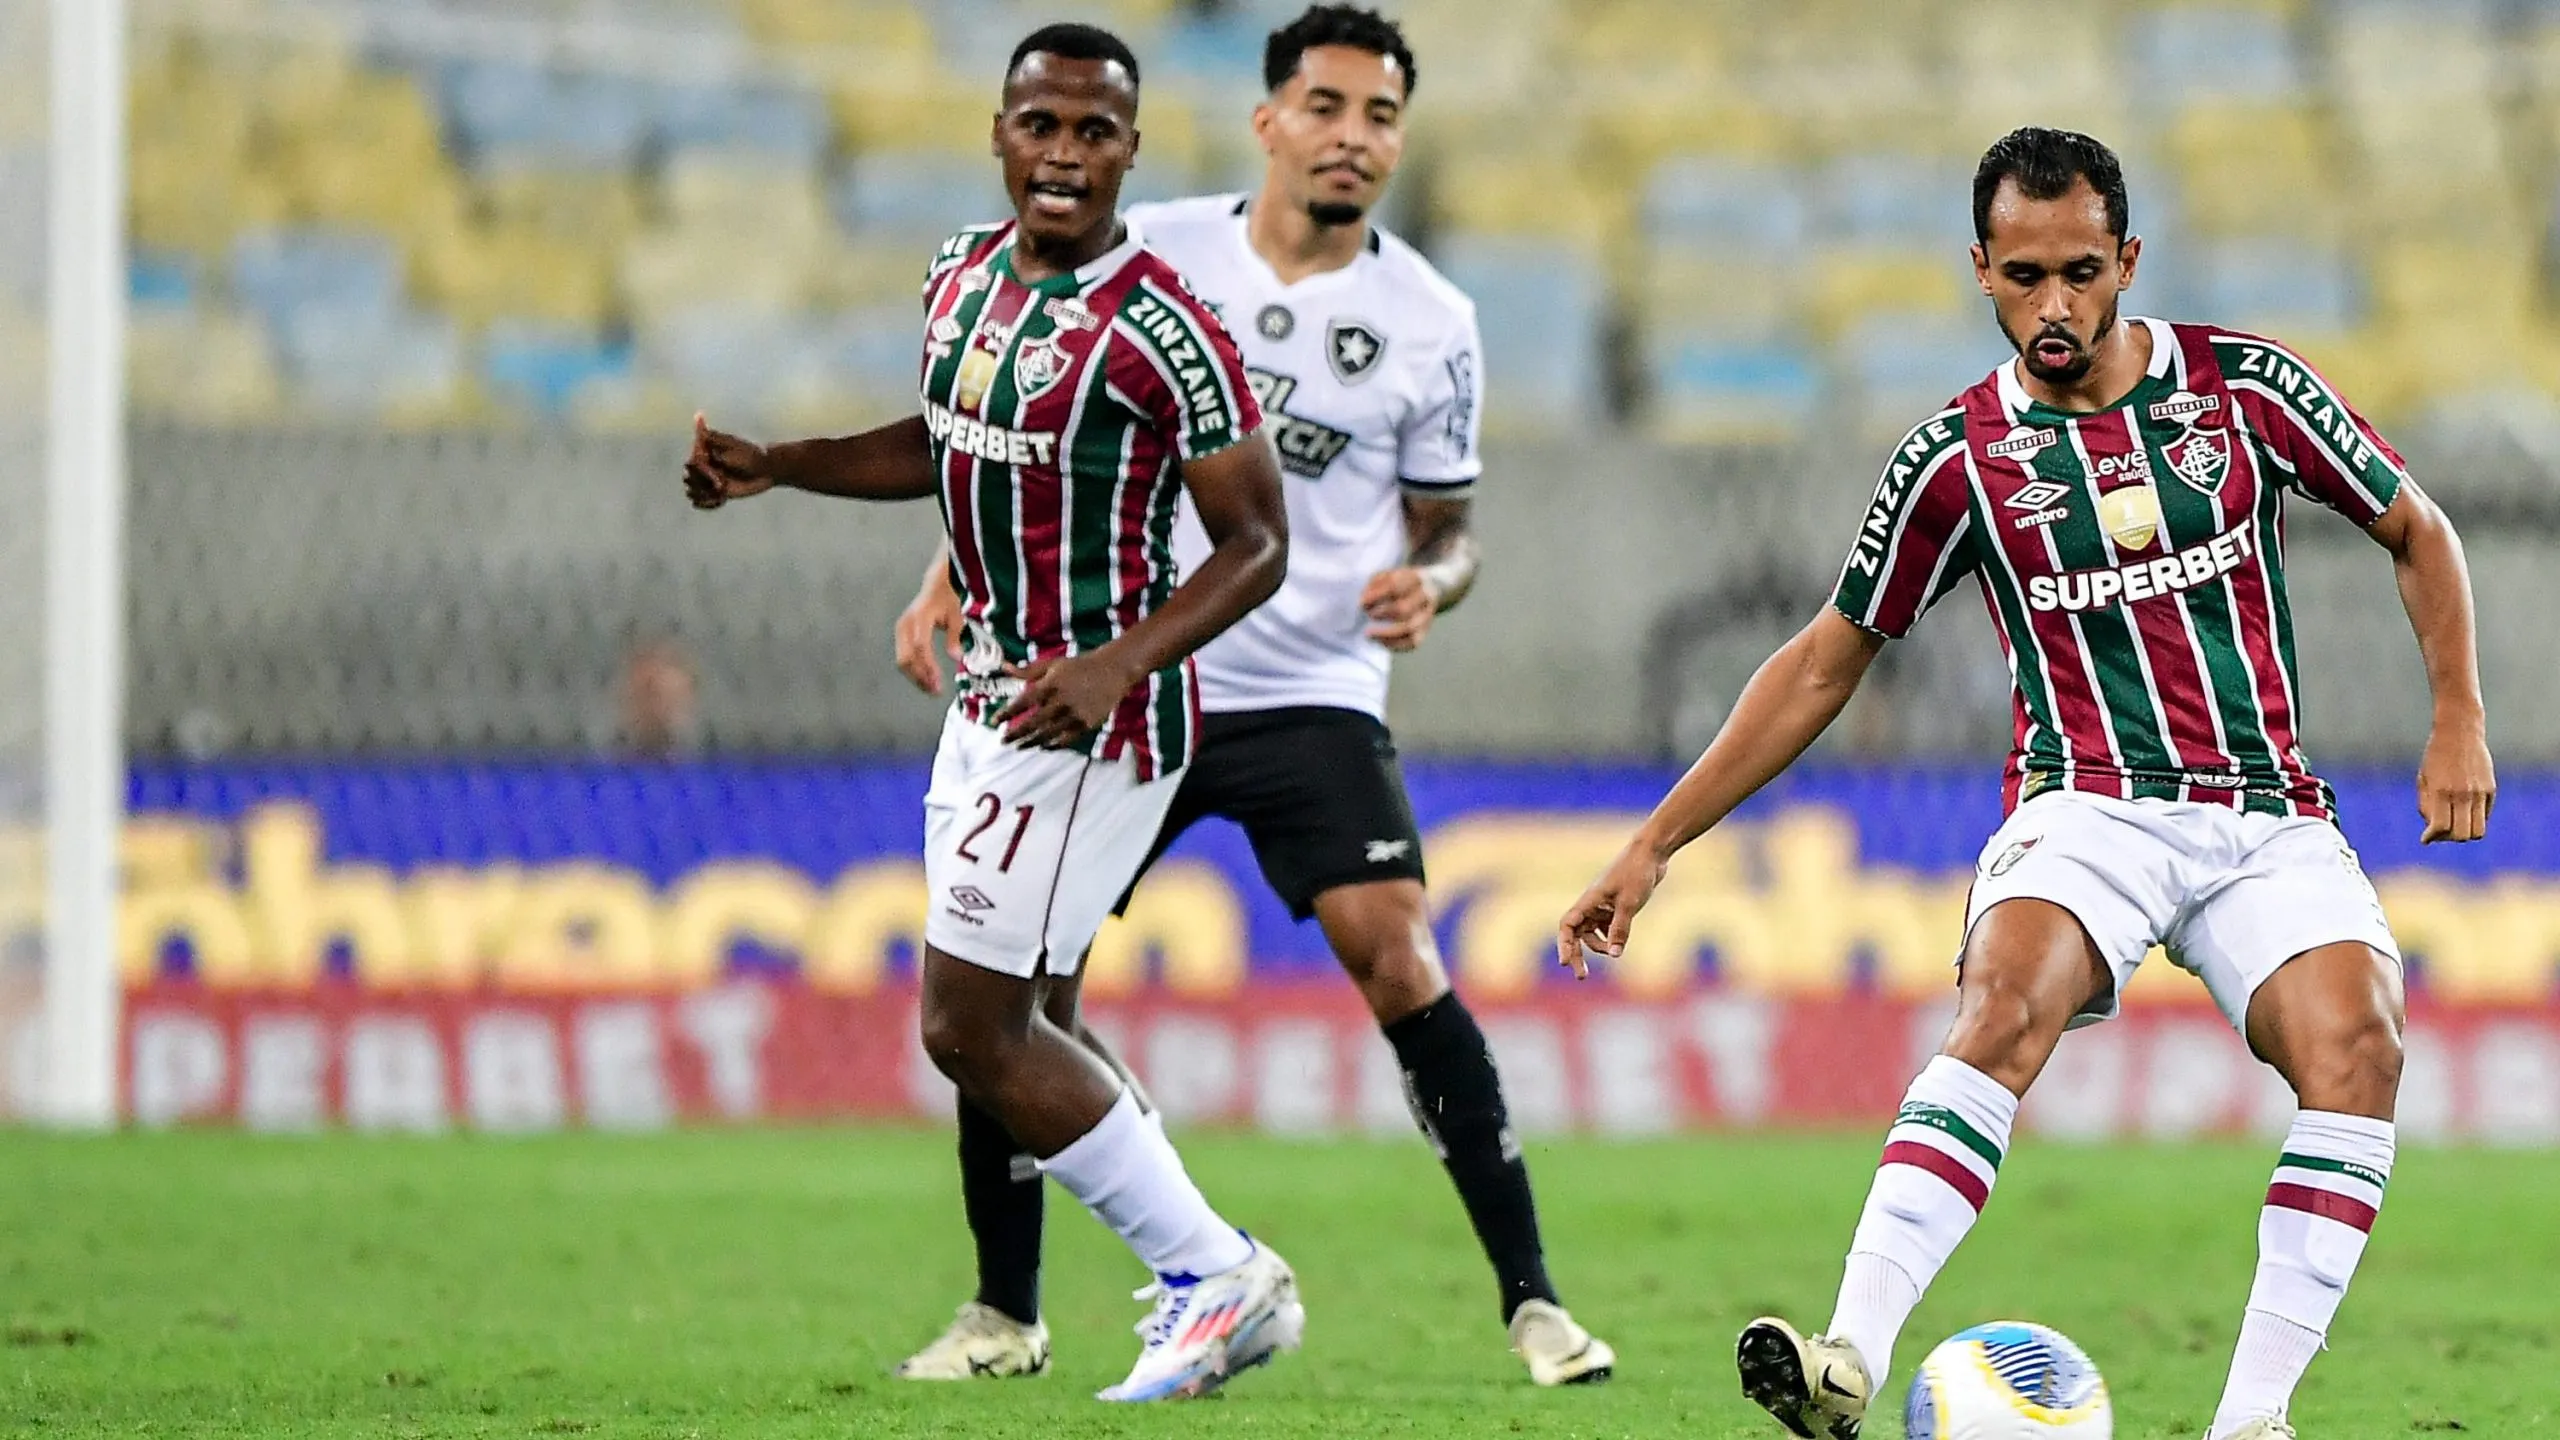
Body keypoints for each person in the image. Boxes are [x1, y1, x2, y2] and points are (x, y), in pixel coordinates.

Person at [1555, 128, 2494, 1440]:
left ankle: (2253, 1419)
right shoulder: (1957, 460)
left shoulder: (2245, 389)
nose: (2055, 306)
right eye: (2025, 276)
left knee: (2361, 1050)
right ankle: (1848, 1363)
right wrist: (1654, 842)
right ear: (1981, 270)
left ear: (2128, 261)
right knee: (2001, 1008)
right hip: (2084, 804)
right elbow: (1827, 660)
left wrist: (2456, 713)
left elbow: (2418, 528)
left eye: (2082, 272)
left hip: (2260, 810)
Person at [891, 3, 1613, 1391]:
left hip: (1309, 686)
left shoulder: (1433, 322)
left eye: (1381, 116)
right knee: (1017, 977)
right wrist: (948, 573)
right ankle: (1006, 1312)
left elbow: (1448, 522)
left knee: (1396, 950)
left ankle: (1533, 1301)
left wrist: (1437, 584)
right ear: (1269, 119)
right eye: (1328, 107)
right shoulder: (1152, 251)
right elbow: (1033, 445)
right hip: (1134, 668)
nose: (1354, 137)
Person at [683, 23, 1306, 1403]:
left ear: (1132, 151)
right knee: (1024, 1019)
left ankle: (1218, 1276)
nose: (1067, 156)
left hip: (1097, 725)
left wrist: (1114, 667)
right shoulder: (959, 274)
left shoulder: (1167, 329)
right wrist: (782, 466)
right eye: (1043, 126)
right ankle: (1059, 1304)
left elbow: (1260, 541)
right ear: (1000, 134)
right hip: (992, 703)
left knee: (969, 1027)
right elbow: (945, 439)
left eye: (1096, 133)